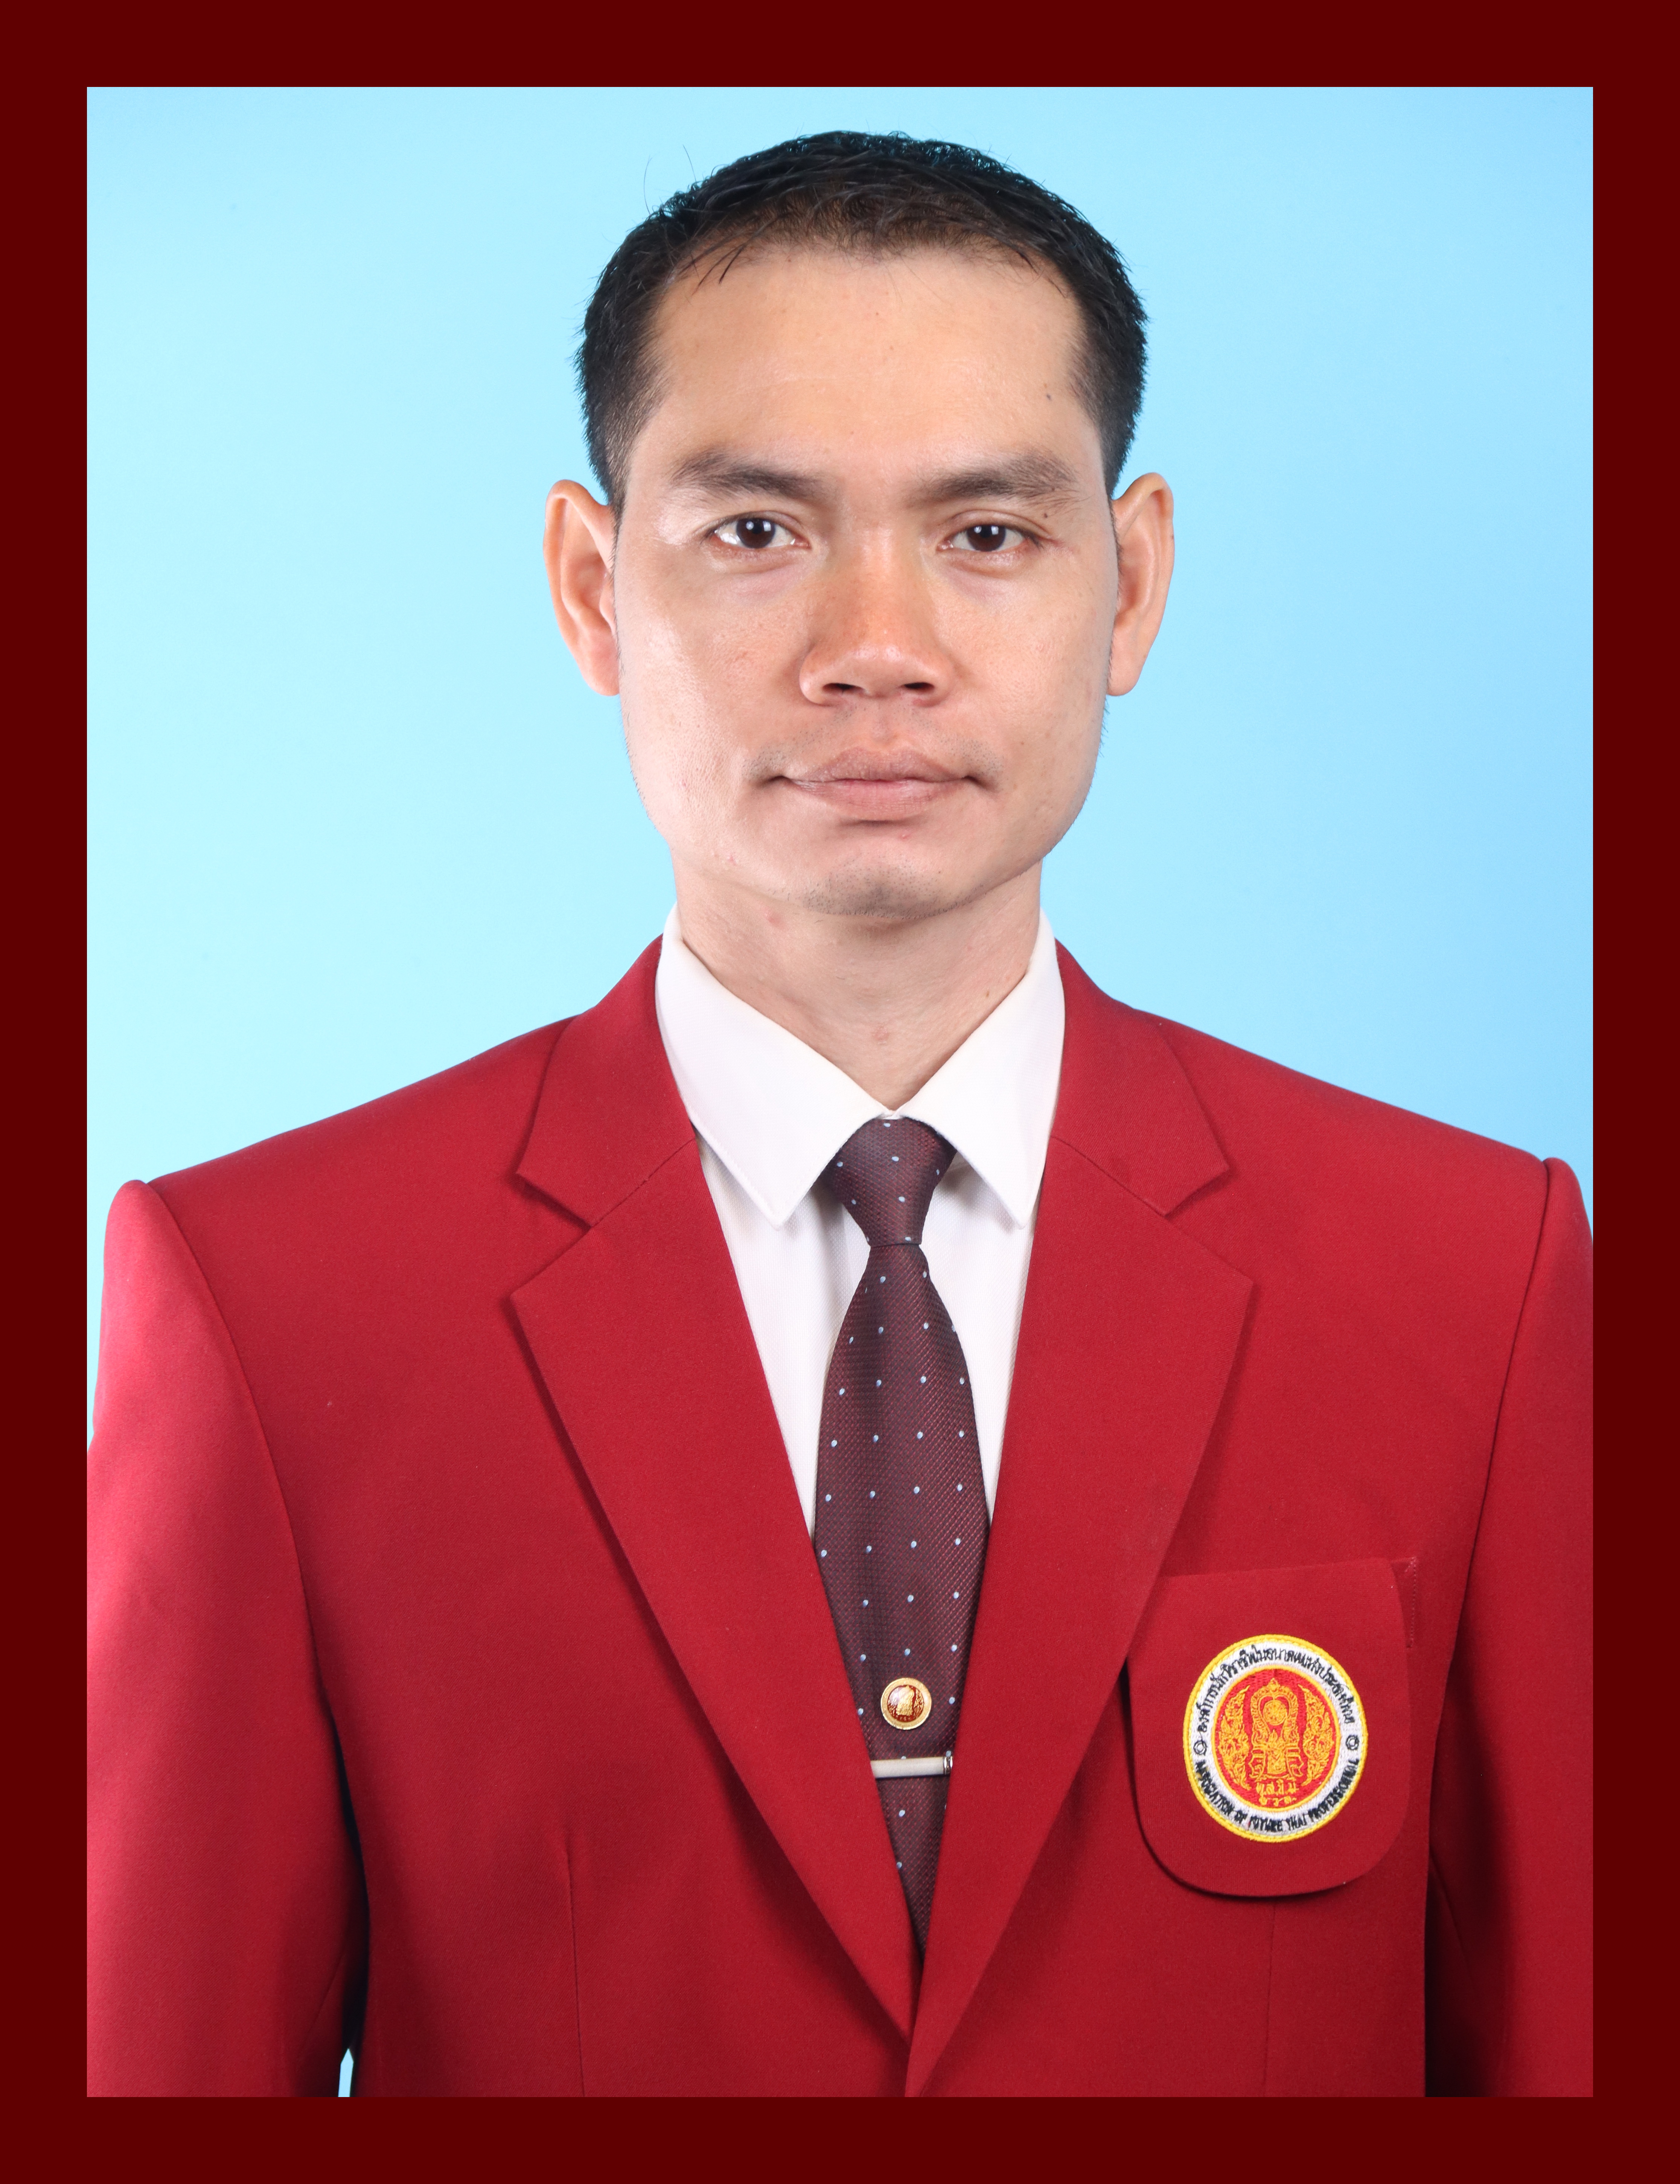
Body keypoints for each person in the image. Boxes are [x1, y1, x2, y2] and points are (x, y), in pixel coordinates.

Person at [87, 132, 1592, 2097]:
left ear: (1131, 585)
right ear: (590, 587)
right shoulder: (272, 1301)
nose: (877, 648)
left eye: (989, 535)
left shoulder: (1472, 1280)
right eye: (756, 531)